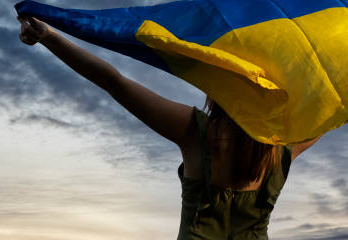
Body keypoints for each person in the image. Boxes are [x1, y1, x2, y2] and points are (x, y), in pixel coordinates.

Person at [17, 15, 321, 239]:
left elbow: (114, 82)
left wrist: (49, 37)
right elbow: (340, 111)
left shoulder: (196, 132)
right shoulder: (283, 150)